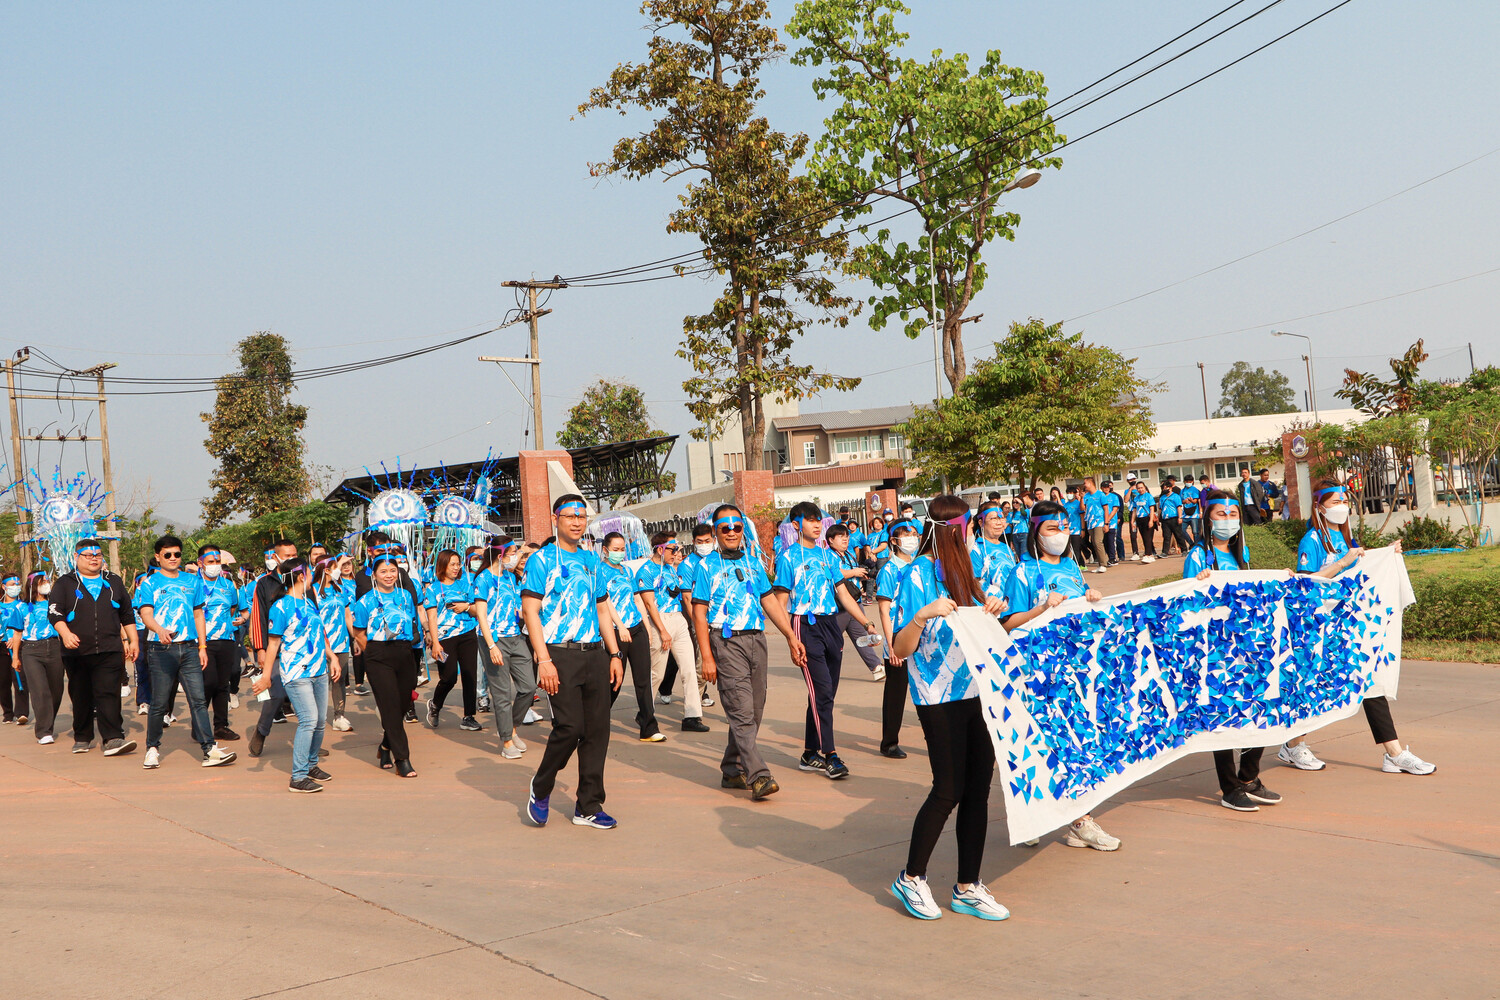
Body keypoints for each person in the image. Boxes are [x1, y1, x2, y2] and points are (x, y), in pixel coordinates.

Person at [887, 494, 1011, 922]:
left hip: (978, 691)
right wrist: (922, 616)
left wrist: (995, 609)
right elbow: (900, 648)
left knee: (978, 790)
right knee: (948, 789)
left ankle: (968, 886)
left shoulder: (968, 569)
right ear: (955, 531)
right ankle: (911, 877)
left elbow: (988, 628)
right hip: (937, 696)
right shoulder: (917, 574)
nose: (973, 533)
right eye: (970, 527)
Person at [1276, 481, 1436, 776]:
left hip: (1349, 626)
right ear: (1319, 507)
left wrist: (1386, 553)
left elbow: (1361, 570)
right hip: (1320, 629)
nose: (1342, 507)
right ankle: (1293, 744)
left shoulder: (1347, 538)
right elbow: (1306, 584)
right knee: (1315, 686)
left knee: (1371, 682)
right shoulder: (1312, 540)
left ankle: (1394, 753)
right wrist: (1342, 563)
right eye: (1335, 502)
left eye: (1344, 501)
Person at [1001, 501, 1120, 851]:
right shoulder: (1021, 572)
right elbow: (1006, 623)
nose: (1060, 534)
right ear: (1035, 531)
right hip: (1035, 674)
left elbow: (1084, 615)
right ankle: (1042, 814)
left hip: (1075, 671)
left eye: (1065, 527)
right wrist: (1041, 608)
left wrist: (1092, 598)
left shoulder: (1072, 566)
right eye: (1052, 528)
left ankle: (1077, 821)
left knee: (1076, 743)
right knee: (1039, 745)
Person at [521, 494, 625, 830]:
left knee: (597, 731)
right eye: (570, 516)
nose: (577, 522)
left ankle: (589, 806)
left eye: (582, 516)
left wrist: (614, 654)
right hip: (559, 654)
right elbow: (530, 612)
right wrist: (544, 660)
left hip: (594, 653)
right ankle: (541, 786)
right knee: (569, 728)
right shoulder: (541, 560)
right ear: (556, 519)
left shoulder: (592, 560)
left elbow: (602, 609)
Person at [690, 503, 806, 800]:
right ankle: (759, 776)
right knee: (741, 711)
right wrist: (706, 656)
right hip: (726, 642)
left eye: (736, 527)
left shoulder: (753, 562)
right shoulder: (706, 566)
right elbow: (699, 613)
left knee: (753, 711)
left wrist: (791, 637)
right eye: (724, 528)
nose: (731, 532)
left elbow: (769, 601)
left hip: (756, 640)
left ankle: (732, 769)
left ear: (743, 529)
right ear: (715, 531)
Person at [1183, 490, 1283, 811]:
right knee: (1222, 715)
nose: (1228, 520)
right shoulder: (1198, 557)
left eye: (1233, 514)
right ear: (1207, 519)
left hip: (1247, 645)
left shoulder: (1243, 554)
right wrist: (1198, 583)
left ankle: (1249, 777)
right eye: (1220, 514)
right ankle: (1229, 787)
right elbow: (1187, 604)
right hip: (1216, 650)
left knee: (1263, 705)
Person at [773, 500, 870, 780]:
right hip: (805, 624)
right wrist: (791, 639)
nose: (817, 525)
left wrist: (866, 623)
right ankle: (830, 755)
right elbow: (780, 603)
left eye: (819, 520)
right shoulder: (788, 558)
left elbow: (843, 594)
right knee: (823, 692)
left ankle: (808, 753)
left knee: (823, 693)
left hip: (831, 625)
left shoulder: (829, 557)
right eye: (811, 520)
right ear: (796, 525)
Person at [136, 535, 237, 769]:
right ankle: (152, 749)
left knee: (198, 701)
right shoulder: (150, 583)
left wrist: (202, 646)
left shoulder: (192, 581)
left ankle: (209, 749)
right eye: (167, 554)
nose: (173, 558)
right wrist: (159, 630)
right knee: (159, 703)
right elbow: (146, 614)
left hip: (190, 648)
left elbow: (199, 614)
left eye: (177, 554)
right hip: (161, 649)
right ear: (158, 557)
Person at [254, 557, 340, 792]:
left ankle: (311, 764)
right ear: (302, 576)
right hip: (296, 672)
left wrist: (332, 657)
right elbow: (273, 644)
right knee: (309, 720)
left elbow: (319, 633)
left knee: (320, 722)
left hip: (319, 670)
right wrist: (266, 677)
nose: (313, 576)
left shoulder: (309, 602)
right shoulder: (280, 607)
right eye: (310, 572)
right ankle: (298, 777)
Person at [49, 539, 138, 754]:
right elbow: (54, 613)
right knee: (81, 695)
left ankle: (113, 737)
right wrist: (66, 634)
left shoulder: (113, 581)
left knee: (109, 693)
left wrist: (133, 640)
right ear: (76, 557)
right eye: (88, 555)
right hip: (77, 651)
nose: (94, 559)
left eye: (97, 555)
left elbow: (126, 614)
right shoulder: (65, 583)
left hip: (109, 648)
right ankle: (82, 736)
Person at [351, 551, 425, 777]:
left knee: (402, 705)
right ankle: (402, 759)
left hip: (405, 652)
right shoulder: (365, 601)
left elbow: (412, 622)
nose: (389, 575)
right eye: (383, 571)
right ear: (374, 575)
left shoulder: (405, 596)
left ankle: (385, 746)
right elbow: (358, 632)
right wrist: (373, 653)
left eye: (393, 570)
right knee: (389, 706)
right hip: (378, 655)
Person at [474, 537, 540, 758]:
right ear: (500, 554)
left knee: (529, 687)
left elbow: (520, 608)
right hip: (494, 640)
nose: (516, 557)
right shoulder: (483, 579)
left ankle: (511, 727)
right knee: (502, 694)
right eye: (512, 552)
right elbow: (481, 616)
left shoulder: (511, 578)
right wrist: (491, 646)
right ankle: (507, 741)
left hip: (516, 637)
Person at [598, 531, 664, 743]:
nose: (619, 553)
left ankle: (649, 727)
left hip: (637, 627)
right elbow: (605, 604)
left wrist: (647, 628)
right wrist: (620, 627)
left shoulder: (626, 570)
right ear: (605, 550)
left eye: (622, 549)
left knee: (644, 679)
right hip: (616, 631)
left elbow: (637, 599)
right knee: (614, 681)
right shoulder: (600, 571)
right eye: (615, 549)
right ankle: (595, 721)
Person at [636, 533, 706, 732]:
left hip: (678, 620)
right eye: (673, 549)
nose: (677, 553)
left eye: (678, 549)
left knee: (689, 669)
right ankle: (645, 713)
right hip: (660, 620)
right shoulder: (645, 571)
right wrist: (662, 630)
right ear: (660, 549)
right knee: (657, 674)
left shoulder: (671, 569)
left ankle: (692, 715)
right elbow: (649, 604)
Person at [874, 516, 921, 758]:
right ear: (893, 540)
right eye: (906, 535)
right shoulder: (889, 570)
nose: (912, 539)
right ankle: (889, 742)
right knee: (896, 692)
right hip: (898, 637)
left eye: (914, 534)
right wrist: (891, 645)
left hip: (921, 634)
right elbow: (884, 610)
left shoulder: (920, 567)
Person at [423, 548, 482, 732]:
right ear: (443, 565)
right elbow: (432, 617)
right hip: (445, 638)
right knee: (448, 677)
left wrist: (466, 607)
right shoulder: (433, 589)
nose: (456, 568)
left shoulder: (465, 585)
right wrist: (435, 642)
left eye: (458, 564)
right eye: (452, 564)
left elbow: (477, 610)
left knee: (469, 675)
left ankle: (469, 716)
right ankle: (435, 704)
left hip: (467, 634)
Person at [9, 573, 69, 745]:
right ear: (33, 584)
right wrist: (15, 657)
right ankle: (44, 731)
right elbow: (17, 633)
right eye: (43, 582)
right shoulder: (21, 607)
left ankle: (47, 721)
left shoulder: (55, 605)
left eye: (48, 581)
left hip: (55, 647)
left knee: (56, 691)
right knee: (40, 690)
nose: (46, 584)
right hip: (31, 650)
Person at [194, 545, 242, 742]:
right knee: (208, 683)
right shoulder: (192, 584)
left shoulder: (228, 585)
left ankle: (221, 726)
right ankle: (199, 725)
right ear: (200, 563)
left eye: (217, 562)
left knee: (223, 685)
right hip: (202, 642)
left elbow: (233, 608)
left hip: (226, 639)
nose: (215, 565)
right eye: (210, 562)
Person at [826, 524, 883, 679]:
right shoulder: (828, 556)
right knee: (832, 639)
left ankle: (876, 667)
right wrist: (853, 572)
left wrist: (861, 574)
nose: (845, 539)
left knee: (861, 636)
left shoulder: (849, 554)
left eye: (846, 536)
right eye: (840, 537)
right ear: (831, 540)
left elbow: (852, 572)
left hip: (855, 601)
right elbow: (834, 574)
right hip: (839, 605)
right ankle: (822, 666)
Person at [314, 557, 354, 732]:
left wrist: (355, 638)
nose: (338, 570)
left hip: (341, 642)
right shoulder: (312, 590)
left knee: (339, 680)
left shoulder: (340, 589)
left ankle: (339, 716)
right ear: (325, 570)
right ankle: (315, 717)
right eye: (335, 567)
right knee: (320, 681)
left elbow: (347, 615)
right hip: (321, 643)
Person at [968, 500, 1017, 599]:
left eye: (1001, 518)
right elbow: (975, 584)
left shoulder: (1006, 548)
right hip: (991, 605)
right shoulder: (976, 549)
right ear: (981, 522)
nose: (999, 523)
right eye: (994, 518)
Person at [0, 572, 27, 726]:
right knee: (3, 681)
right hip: (2, 646)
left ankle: (22, 712)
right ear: (4, 587)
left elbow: (28, 625)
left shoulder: (24, 605)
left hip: (19, 645)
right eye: (12, 585)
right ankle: (8, 712)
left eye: (18, 584)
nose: (15, 587)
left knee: (20, 678)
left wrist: (16, 638)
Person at [1126, 479, 1158, 563]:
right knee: (1144, 537)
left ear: (1145, 488)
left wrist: (1151, 520)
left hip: (1147, 518)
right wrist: (1132, 521)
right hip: (1139, 519)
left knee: (1148, 537)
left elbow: (1152, 509)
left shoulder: (1149, 496)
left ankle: (1148, 554)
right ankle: (1149, 554)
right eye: (1138, 488)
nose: (1140, 489)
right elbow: (1134, 510)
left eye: (1142, 487)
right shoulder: (1136, 498)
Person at [1082, 477, 1109, 573]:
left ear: (1090, 483)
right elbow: (1082, 508)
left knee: (1098, 542)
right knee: (1094, 543)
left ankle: (1103, 564)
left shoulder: (1100, 495)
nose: (1084, 485)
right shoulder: (1086, 496)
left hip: (1099, 521)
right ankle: (1100, 563)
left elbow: (1106, 509)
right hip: (1090, 522)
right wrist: (1081, 498)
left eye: (1085, 483)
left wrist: (1106, 523)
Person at [1158, 478, 1188, 556]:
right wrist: (1158, 518)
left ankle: (1184, 550)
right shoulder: (1162, 498)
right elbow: (1160, 509)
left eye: (1167, 487)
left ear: (1170, 488)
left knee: (1178, 535)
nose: (1165, 489)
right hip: (1165, 519)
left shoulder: (1176, 496)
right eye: (1164, 488)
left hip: (1174, 518)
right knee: (1166, 536)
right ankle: (1164, 552)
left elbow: (1179, 507)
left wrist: (1180, 517)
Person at [1099, 479, 1124, 565]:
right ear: (1101, 488)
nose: (1106, 489)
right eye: (1104, 487)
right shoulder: (1100, 497)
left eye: (1108, 487)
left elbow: (1115, 509)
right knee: (1104, 541)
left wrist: (1108, 519)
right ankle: (1109, 557)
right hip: (1102, 523)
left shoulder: (1114, 497)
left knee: (1111, 541)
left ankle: (1113, 558)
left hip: (1112, 523)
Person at [1063, 486, 1087, 566]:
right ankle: (1081, 564)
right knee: (1071, 548)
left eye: (1071, 493)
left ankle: (1075, 565)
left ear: (1074, 494)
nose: (1069, 494)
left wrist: (1083, 529)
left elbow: (1082, 517)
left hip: (1076, 529)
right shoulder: (1065, 505)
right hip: (1068, 530)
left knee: (1076, 548)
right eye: (1068, 493)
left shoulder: (1078, 504)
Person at [1180, 476, 1202, 546]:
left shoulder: (1195, 490)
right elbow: (1180, 501)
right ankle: (1191, 544)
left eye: (1190, 482)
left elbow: (1196, 501)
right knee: (1181, 530)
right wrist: (1184, 501)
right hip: (1185, 514)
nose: (1188, 483)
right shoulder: (1182, 491)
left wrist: (1191, 500)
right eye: (1187, 482)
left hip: (1194, 514)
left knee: (1195, 532)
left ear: (1192, 482)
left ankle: (1196, 545)